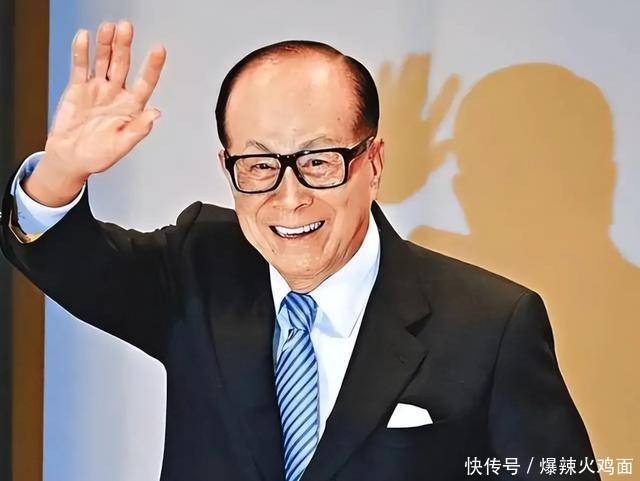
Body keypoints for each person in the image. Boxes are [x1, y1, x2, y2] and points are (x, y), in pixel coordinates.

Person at [0, 20, 599, 481]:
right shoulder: (200, 267)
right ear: (228, 168)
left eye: (318, 161)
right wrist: (62, 170)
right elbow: (66, 257)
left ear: (374, 163)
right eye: (259, 165)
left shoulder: (491, 323)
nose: (289, 199)